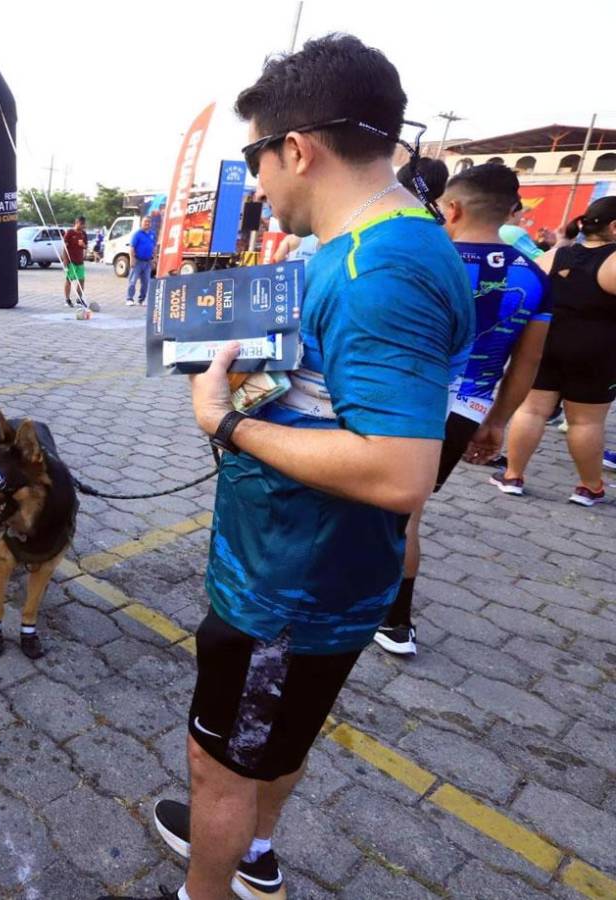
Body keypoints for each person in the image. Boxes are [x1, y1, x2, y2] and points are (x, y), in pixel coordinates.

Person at [133, 35, 473, 900]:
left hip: (286, 591)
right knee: (276, 740)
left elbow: (399, 471)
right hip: (310, 577)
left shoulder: (376, 270)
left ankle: (210, 882)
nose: (255, 184)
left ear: (296, 148)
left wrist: (227, 423)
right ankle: (252, 852)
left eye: (255, 159)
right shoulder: (383, 242)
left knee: (218, 767)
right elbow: (343, 396)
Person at [375, 163, 551, 656]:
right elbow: (527, 363)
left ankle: (339, 599)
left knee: (361, 502)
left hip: (397, 398)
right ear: (510, 212)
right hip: (466, 409)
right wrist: (496, 422)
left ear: (451, 209)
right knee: (407, 515)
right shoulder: (534, 277)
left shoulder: (422, 258)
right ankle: (396, 623)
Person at [493, 196, 616, 506]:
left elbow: (529, 293)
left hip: (546, 343)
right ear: (614, 227)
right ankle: (589, 487)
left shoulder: (555, 255)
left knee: (531, 410)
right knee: (586, 422)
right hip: (597, 352)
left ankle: (513, 476)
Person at [126, 216, 156, 305]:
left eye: (149, 222)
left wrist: (154, 259)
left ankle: (142, 300)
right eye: (145, 221)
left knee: (146, 282)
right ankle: (129, 299)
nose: (147, 223)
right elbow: (132, 247)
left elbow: (154, 247)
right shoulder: (137, 234)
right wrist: (132, 259)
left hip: (148, 262)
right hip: (137, 261)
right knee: (133, 281)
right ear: (141, 223)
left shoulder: (152, 234)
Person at [62, 215, 88, 308]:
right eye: (81, 224)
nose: (83, 226)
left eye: (84, 224)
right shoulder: (69, 233)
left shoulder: (84, 234)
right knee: (69, 280)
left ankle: (79, 299)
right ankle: (67, 299)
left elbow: (86, 246)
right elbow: (64, 247)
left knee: (81, 280)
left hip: (80, 261)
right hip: (71, 261)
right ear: (77, 223)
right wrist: (65, 260)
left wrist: (83, 245)